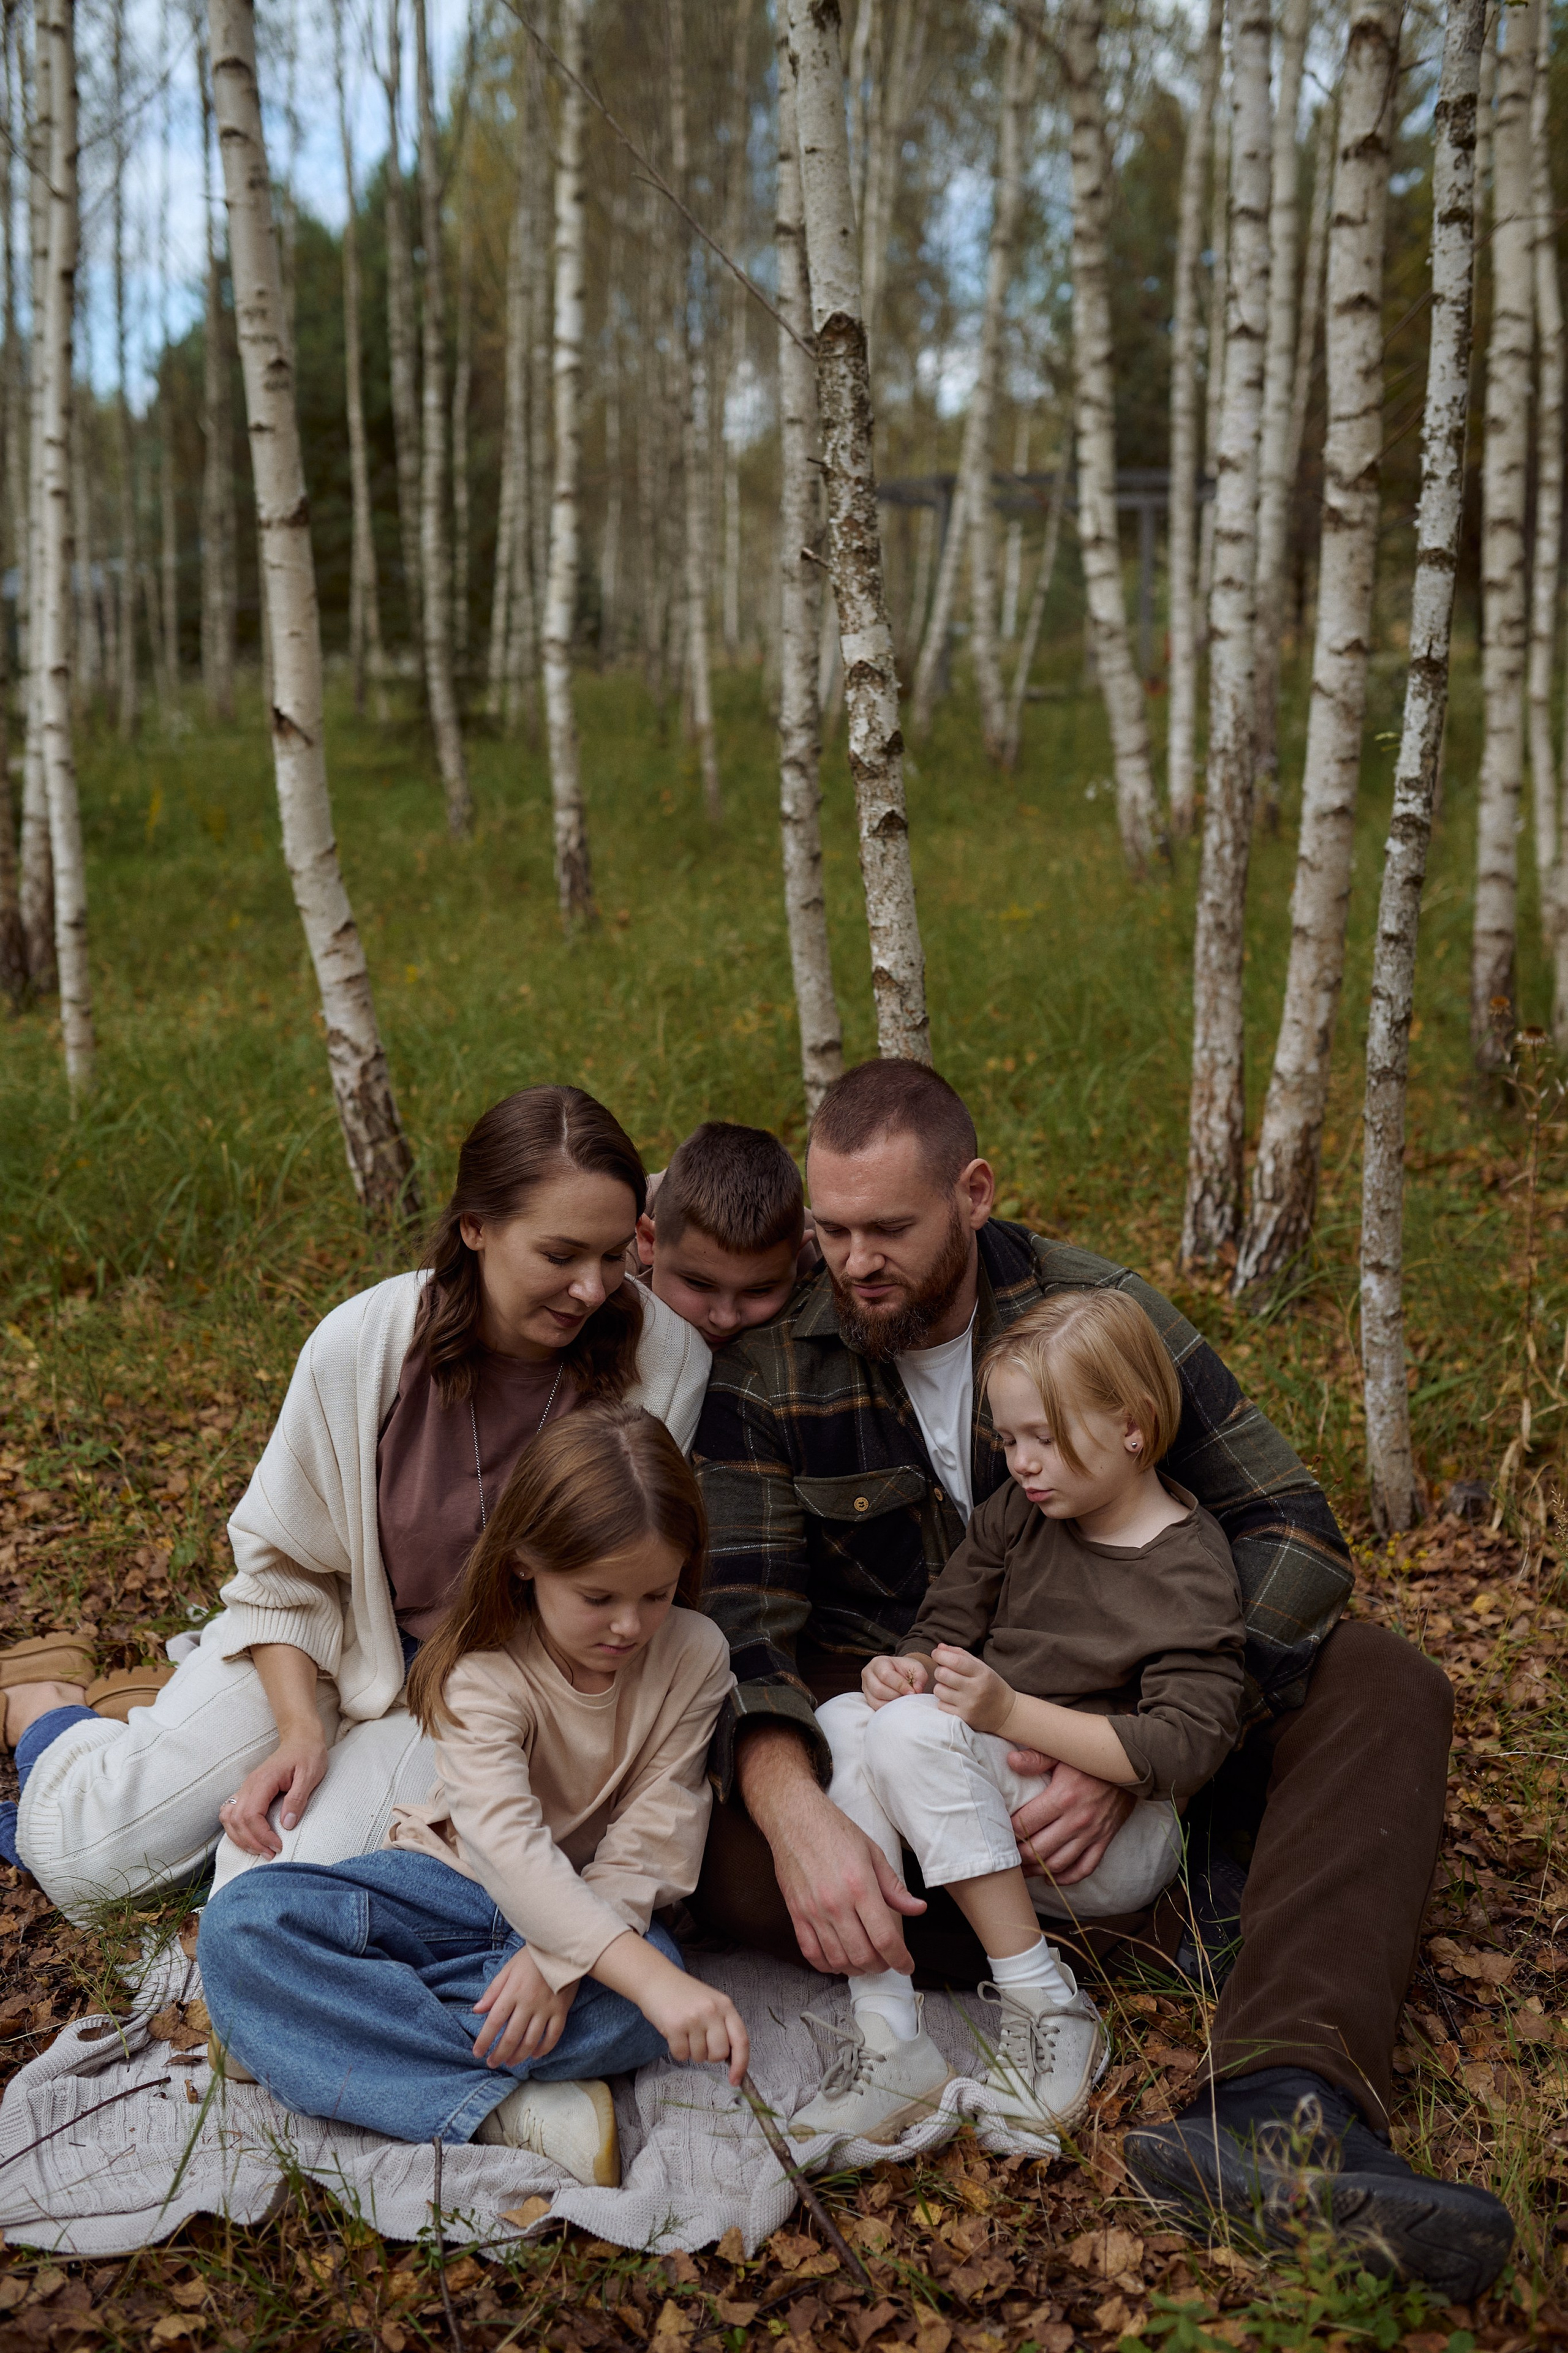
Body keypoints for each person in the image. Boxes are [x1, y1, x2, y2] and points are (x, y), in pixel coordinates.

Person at [693, 1058, 1513, 2300]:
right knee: (738, 1855)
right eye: (832, 1228)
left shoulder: (1092, 1310)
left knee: (1383, 1681)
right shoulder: (775, 1361)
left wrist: (1141, 1746)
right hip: (919, 1744)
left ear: (973, 1194)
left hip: (1126, 1699)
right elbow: (744, 1625)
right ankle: (1193, 1914)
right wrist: (793, 1809)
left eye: (889, 1229)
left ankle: (1279, 2099)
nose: (853, 1262)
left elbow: (1288, 1529)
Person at [0, 1087, 710, 1918]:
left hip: (489, 1690)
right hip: (331, 1642)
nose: (591, 1288)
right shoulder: (365, 1342)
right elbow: (283, 1570)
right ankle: (48, 1709)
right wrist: (300, 1730)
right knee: (84, 1860)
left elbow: (621, 1590)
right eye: (560, 1255)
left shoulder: (665, 1365)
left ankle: (169, 1739)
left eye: (615, 1255)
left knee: (271, 1895)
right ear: (475, 1227)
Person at [198, 1406, 744, 2187]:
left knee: (646, 1990)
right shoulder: (482, 1668)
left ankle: (303, 2036)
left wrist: (556, 1958)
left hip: (595, 1898)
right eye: (597, 1597)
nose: (629, 1625)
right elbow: (505, 1847)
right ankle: (498, 2107)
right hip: (450, 1883)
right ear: (525, 1562)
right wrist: (601, 1968)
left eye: (655, 1594)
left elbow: (656, 1831)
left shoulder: (695, 1653)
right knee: (242, 1924)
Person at [787, 1289, 1244, 2159]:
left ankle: (1049, 2005)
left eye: (1046, 1437)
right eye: (1008, 1440)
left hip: (1108, 1843)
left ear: (1134, 1426)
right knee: (846, 1716)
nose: (1023, 1463)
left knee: (908, 1733)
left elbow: (1187, 1744)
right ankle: (889, 2035)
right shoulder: (1021, 1513)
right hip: (989, 1801)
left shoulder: (1185, 1563)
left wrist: (1007, 1710)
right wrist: (909, 1667)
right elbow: (945, 1621)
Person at [631, 1121, 805, 1350]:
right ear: (649, 1241)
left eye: (759, 1291)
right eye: (698, 1284)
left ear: (797, 1256)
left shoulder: (829, 1273)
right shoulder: (599, 1290)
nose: (725, 1320)